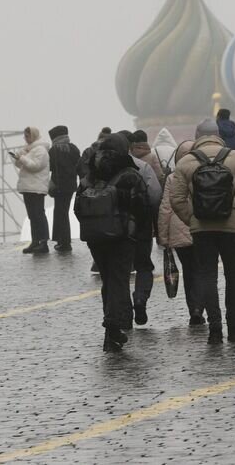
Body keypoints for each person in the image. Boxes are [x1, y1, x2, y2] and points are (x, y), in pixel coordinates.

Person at [168, 118, 235, 344]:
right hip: (232, 230)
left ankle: (215, 328)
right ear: (218, 134)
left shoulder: (186, 161)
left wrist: (193, 219)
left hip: (202, 230)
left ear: (197, 136)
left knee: (207, 275)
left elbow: (176, 199)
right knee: (232, 274)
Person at [77, 133, 147, 351]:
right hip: (122, 237)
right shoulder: (129, 175)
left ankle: (112, 328)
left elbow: (78, 207)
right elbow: (142, 205)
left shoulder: (90, 175)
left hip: (95, 238)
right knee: (119, 280)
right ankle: (112, 324)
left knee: (108, 280)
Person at [156, 139, 205, 326]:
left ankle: (194, 308)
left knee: (190, 271)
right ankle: (202, 307)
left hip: (179, 231)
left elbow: (166, 208)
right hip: (204, 229)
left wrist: (163, 236)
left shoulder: (172, 178)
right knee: (203, 271)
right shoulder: (206, 173)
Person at [128, 129, 164, 325]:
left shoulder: (100, 167)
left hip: (112, 227)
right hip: (140, 224)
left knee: (116, 271)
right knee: (143, 265)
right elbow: (155, 194)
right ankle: (140, 298)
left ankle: (120, 314)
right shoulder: (142, 166)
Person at [11, 127, 52, 254]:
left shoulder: (40, 150)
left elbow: (35, 166)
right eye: (25, 136)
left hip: (37, 188)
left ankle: (43, 242)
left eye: (27, 136)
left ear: (33, 136)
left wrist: (22, 158)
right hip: (28, 187)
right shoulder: (29, 150)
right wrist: (18, 157)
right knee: (32, 216)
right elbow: (21, 165)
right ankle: (35, 241)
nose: (26, 139)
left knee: (39, 214)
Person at [79, 128, 113, 274]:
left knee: (96, 231)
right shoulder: (113, 152)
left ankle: (97, 263)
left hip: (91, 196)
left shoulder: (88, 151)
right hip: (108, 197)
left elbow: (79, 169)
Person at [47, 125, 80, 253]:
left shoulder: (54, 150)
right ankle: (63, 240)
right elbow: (79, 164)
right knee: (64, 212)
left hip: (58, 185)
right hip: (71, 185)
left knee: (60, 213)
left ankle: (64, 242)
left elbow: (49, 167)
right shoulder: (73, 148)